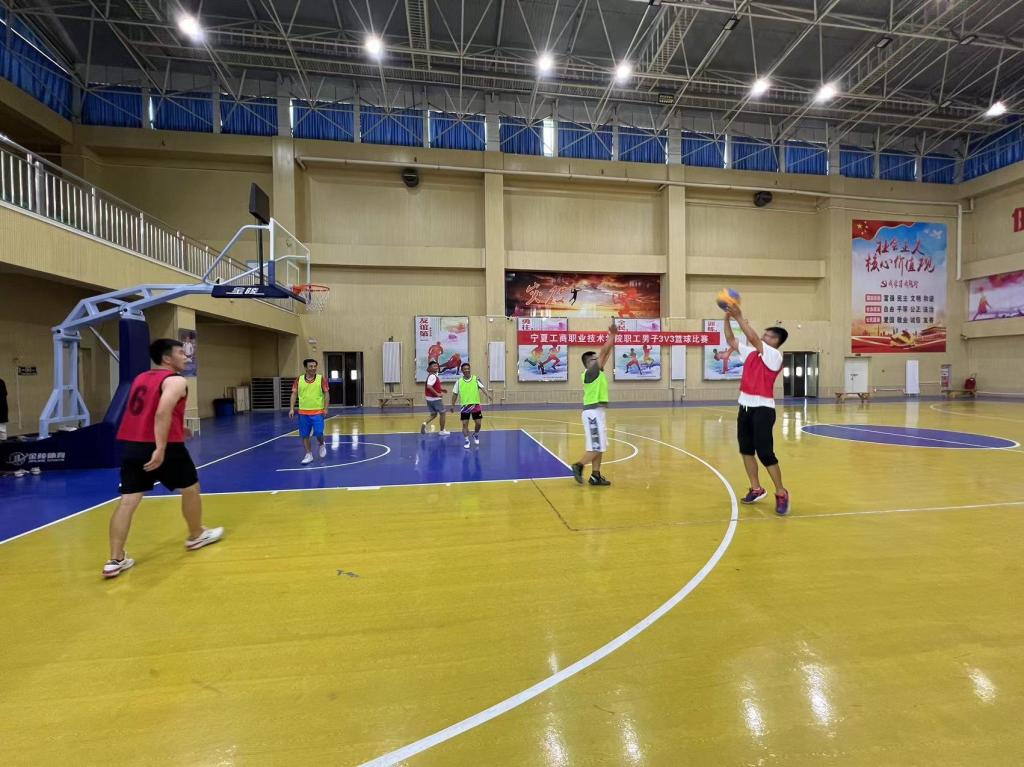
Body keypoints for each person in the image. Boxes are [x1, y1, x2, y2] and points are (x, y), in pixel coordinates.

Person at [104, 338, 223, 578]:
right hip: (166, 447)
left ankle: (115, 559)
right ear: (167, 358)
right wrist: (160, 448)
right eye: (181, 353)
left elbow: (147, 411)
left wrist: (179, 427)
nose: (186, 357)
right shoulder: (176, 380)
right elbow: (161, 412)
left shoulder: (140, 378)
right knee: (190, 488)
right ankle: (196, 534)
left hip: (133, 445)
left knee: (128, 501)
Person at [723, 305, 790, 515]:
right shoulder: (751, 353)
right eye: (765, 334)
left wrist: (739, 317)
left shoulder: (774, 356)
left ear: (776, 341)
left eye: (769, 335)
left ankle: (781, 492)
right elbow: (731, 340)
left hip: (763, 409)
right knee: (746, 450)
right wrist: (726, 319)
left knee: (765, 453)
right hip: (745, 407)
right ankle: (756, 488)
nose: (764, 336)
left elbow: (752, 338)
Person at [571, 321, 616, 486]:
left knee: (600, 445)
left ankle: (595, 476)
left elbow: (606, 353)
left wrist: (613, 338)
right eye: (595, 359)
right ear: (588, 363)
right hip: (592, 413)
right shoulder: (590, 372)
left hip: (598, 412)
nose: (599, 359)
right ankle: (578, 465)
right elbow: (604, 352)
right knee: (596, 447)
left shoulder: (598, 372)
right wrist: (612, 335)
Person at [288, 358, 329, 464]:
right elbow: (294, 394)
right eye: (311, 366)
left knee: (319, 433)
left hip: (318, 412)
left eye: (315, 366)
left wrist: (325, 408)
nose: (313, 368)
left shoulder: (321, 379)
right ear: (306, 368)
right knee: (305, 435)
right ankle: (309, 454)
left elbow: (326, 393)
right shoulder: (299, 379)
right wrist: (291, 408)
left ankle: (322, 444)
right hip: (303, 413)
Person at [450, 362, 493, 449]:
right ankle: (467, 440)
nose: (466, 370)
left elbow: (482, 388)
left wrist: (488, 395)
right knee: (464, 424)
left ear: (469, 369)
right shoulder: (459, 382)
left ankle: (475, 434)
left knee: (478, 423)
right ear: (462, 370)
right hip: (465, 406)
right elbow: (455, 394)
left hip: (475, 405)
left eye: (468, 368)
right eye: (464, 369)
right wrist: (452, 405)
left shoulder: (476, 379)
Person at [421, 360, 450, 435]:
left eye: (437, 366)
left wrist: (441, 390)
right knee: (443, 413)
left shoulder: (432, 375)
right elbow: (429, 386)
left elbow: (432, 386)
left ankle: (424, 423)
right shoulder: (432, 376)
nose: (436, 367)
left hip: (429, 399)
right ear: (430, 368)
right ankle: (442, 431)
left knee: (433, 414)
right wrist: (437, 394)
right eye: (434, 366)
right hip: (435, 399)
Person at [0, 375, 7, 440]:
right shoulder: (2, 382)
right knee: (2, 430)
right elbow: (5, 393)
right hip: (3, 409)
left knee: (2, 429)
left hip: (2, 409)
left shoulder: (1, 382)